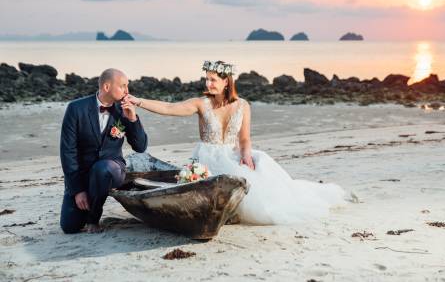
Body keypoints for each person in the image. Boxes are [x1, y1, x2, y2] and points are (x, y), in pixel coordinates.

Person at [124, 61, 346, 224]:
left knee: (260, 164)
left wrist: (246, 154)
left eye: (213, 79)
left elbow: (245, 138)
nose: (208, 83)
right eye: (207, 78)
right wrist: (139, 101)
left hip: (231, 153)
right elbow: (170, 109)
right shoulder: (201, 103)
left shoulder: (243, 106)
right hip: (206, 157)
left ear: (226, 82)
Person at [60, 68, 148, 233]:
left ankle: (94, 218)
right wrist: (78, 190)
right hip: (83, 174)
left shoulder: (124, 110)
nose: (127, 91)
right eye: (123, 86)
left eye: (127, 86)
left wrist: (132, 118)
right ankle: (86, 203)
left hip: (112, 168)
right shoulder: (75, 109)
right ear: (107, 87)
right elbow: (68, 153)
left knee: (103, 169)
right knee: (69, 227)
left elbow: (140, 147)